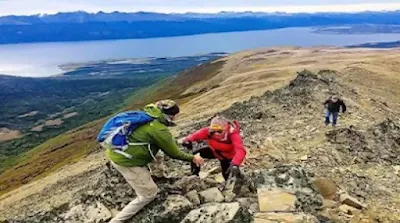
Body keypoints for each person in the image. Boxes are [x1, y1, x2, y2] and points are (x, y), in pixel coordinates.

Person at [107, 100, 204, 223]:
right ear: (171, 115)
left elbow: (162, 142)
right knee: (148, 195)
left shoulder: (149, 116)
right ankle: (117, 221)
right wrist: (193, 158)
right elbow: (174, 153)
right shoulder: (159, 130)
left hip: (120, 151)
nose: (176, 117)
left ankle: (158, 176)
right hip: (126, 161)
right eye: (175, 115)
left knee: (158, 154)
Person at [179, 116, 246, 181]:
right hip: (215, 151)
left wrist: (235, 163)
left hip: (227, 157)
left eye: (219, 131)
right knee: (196, 154)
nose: (216, 134)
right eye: (213, 131)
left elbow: (240, 150)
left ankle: (238, 184)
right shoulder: (209, 132)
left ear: (225, 129)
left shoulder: (233, 134)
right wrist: (187, 140)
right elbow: (197, 135)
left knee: (228, 174)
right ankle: (194, 175)